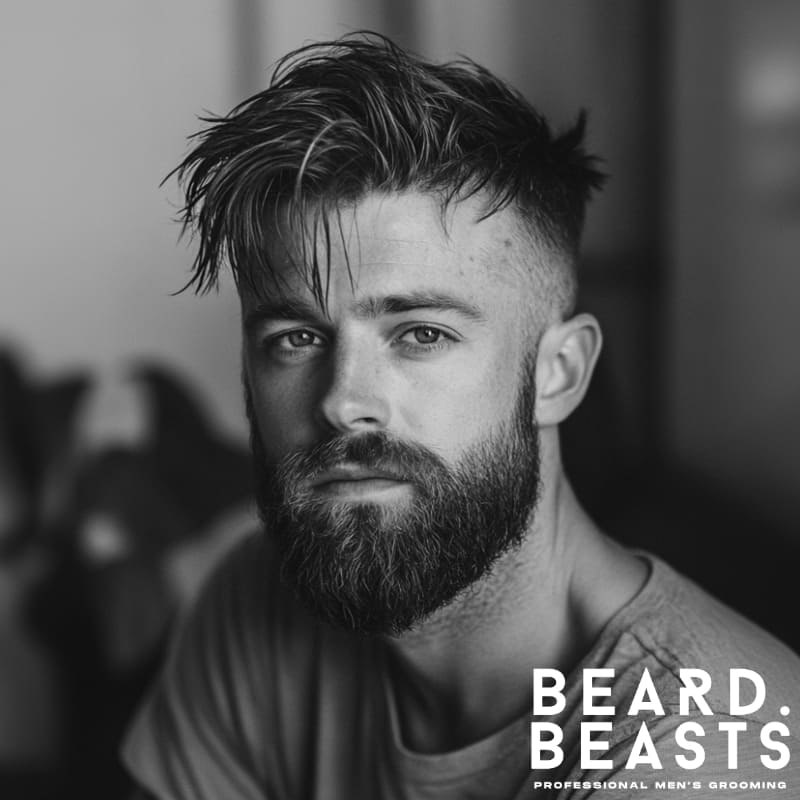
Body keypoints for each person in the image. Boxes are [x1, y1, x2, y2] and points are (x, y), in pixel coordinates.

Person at [122, 33, 800, 800]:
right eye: (297, 337)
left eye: (421, 335)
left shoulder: (706, 744)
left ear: (559, 372)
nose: (344, 400)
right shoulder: (254, 601)